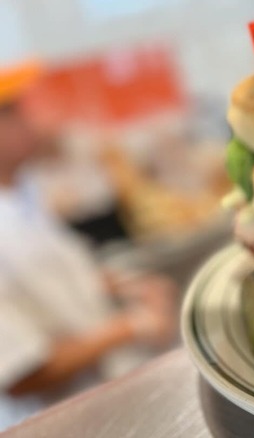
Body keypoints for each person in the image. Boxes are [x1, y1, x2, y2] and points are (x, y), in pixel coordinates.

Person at [0, 61, 176, 429]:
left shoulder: (22, 196)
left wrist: (125, 286)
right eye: (14, 111)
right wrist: (133, 326)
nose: (32, 118)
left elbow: (55, 282)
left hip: (109, 405)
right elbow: (20, 371)